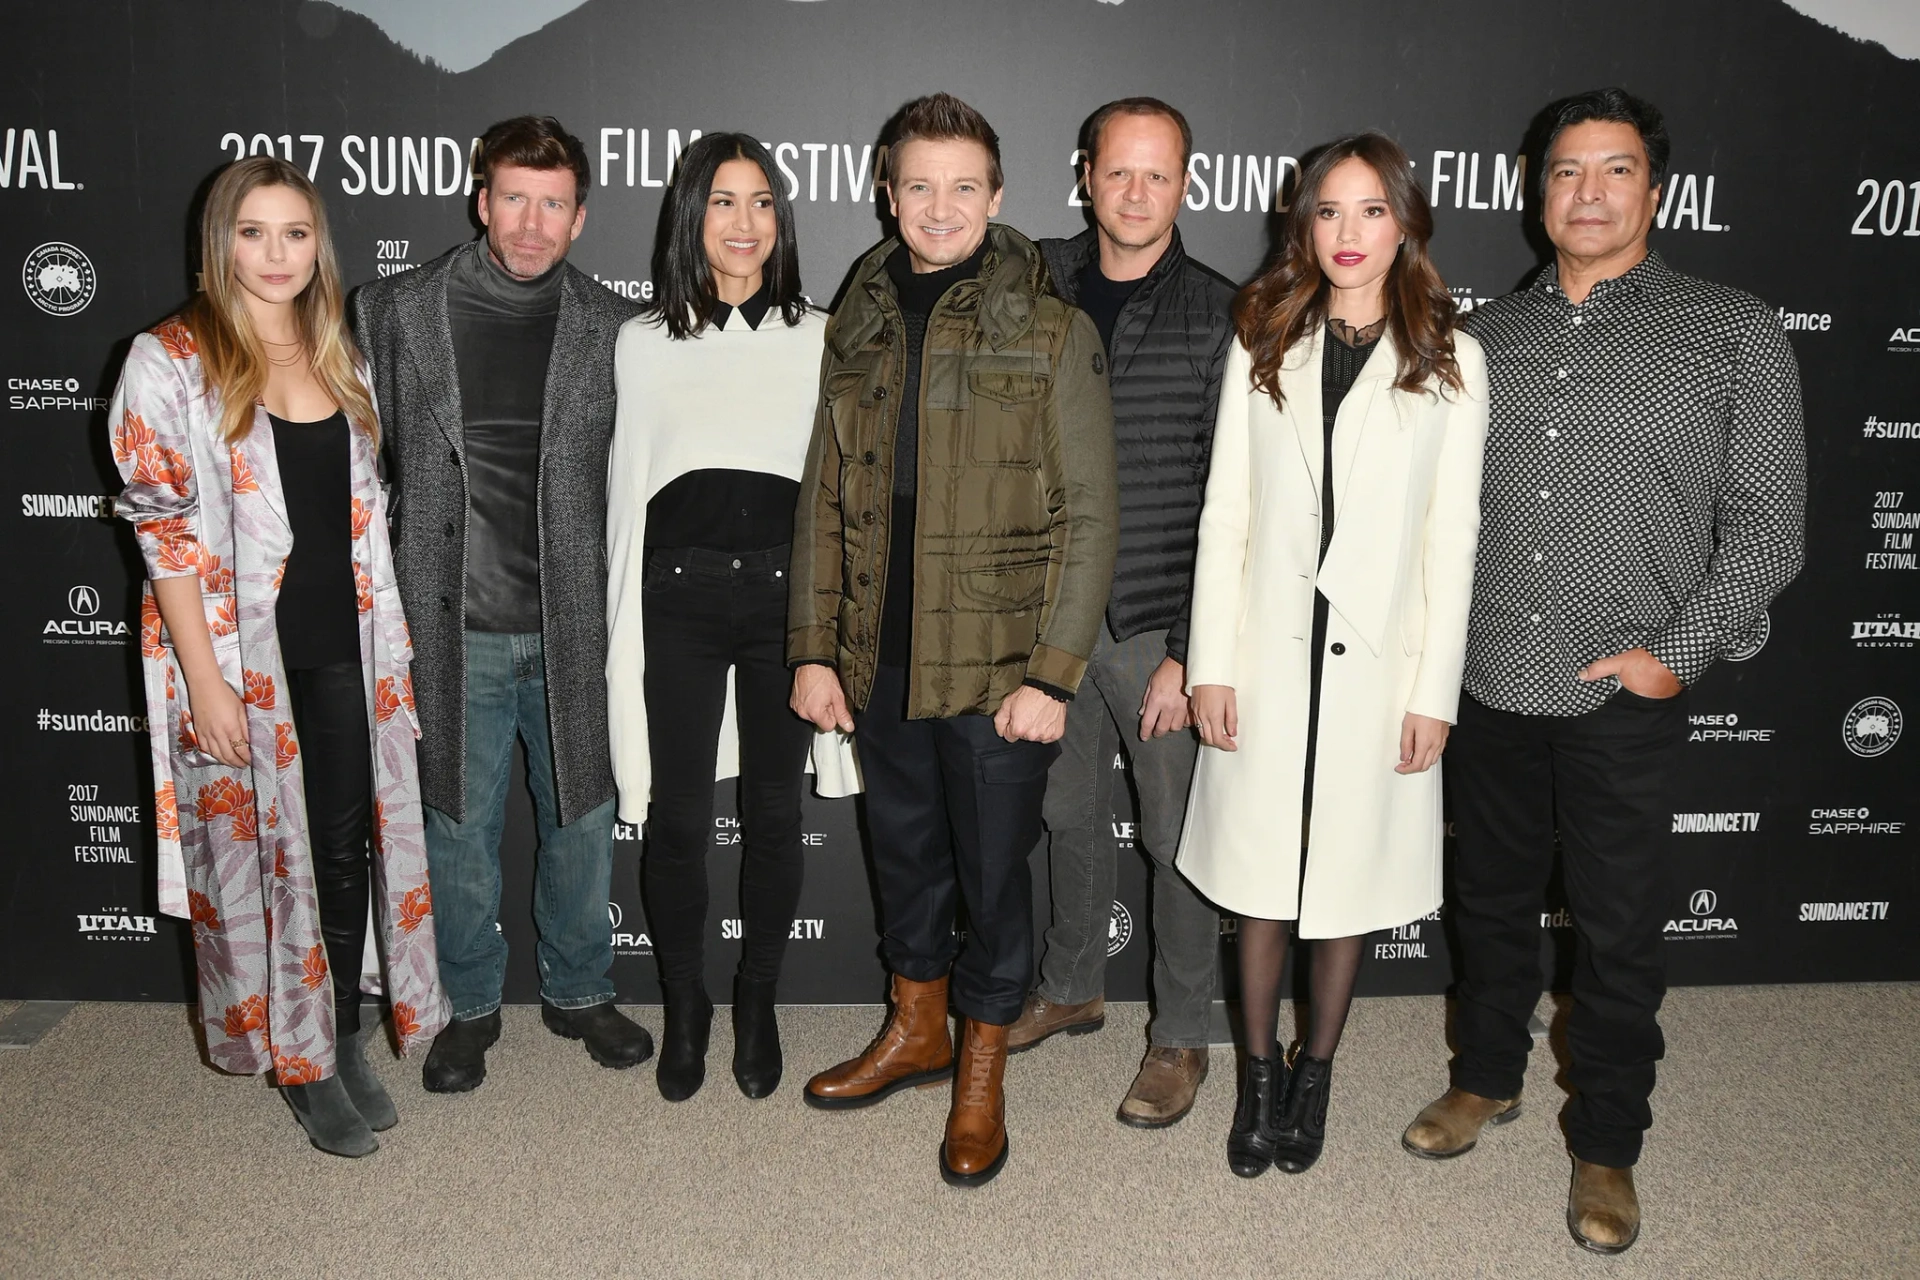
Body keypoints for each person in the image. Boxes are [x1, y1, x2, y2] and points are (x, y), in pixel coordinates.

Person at [1399, 89, 1805, 1254]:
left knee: (1619, 931)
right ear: (1539, 190)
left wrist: (1671, 659)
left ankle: (1609, 1146)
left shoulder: (1731, 329)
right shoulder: (1483, 339)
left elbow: (1772, 528)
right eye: (1567, 171)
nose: (1587, 192)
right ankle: (1486, 1076)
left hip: (1623, 692)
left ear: (1655, 190)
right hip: (1491, 683)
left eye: (1613, 171)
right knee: (1488, 905)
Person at [789, 93, 1118, 1188]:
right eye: (918, 186)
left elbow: (1090, 515)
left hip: (998, 667)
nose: (939, 207)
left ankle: (981, 1057)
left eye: (962, 186)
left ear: (999, 196)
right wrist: (813, 646)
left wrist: (1053, 674)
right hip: (876, 650)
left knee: (992, 874)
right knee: (905, 858)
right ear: (887, 193)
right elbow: (826, 490)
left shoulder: (1052, 324)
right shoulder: (862, 315)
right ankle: (915, 1024)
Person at [111, 156, 448, 1157]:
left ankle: (337, 1033)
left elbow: (363, 519)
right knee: (265, 860)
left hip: (343, 645)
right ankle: (295, 1063)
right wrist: (204, 681)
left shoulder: (337, 349)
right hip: (235, 660)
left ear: (319, 245)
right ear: (221, 241)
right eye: (253, 233)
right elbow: (162, 533)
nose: (275, 254)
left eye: (295, 233)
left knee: (343, 854)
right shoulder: (168, 358)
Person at [1178, 133, 1488, 1178]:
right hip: (1268, 653)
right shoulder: (1264, 333)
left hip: (1373, 667)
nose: (1348, 234)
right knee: (1264, 879)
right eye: (1328, 211)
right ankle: (1256, 1075)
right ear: (1302, 224)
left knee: (1342, 879)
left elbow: (1453, 538)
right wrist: (1212, 662)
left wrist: (1430, 690)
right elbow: (1227, 514)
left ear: (1405, 222)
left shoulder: (1451, 354)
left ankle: (1317, 1071)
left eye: (1370, 210)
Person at [353, 116, 651, 1093]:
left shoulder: (614, 327)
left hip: (575, 624)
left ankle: (578, 990)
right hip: (451, 627)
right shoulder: (394, 309)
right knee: (456, 828)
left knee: (581, 817)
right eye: (513, 198)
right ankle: (468, 1004)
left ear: (579, 215)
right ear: (482, 199)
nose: (530, 222)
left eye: (552, 203)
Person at [606, 132, 859, 1103]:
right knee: (677, 819)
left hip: (783, 605)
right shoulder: (642, 342)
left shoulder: (824, 335)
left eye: (761, 203)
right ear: (691, 217)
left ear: (781, 221)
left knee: (773, 813)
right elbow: (628, 497)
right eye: (722, 202)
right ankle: (686, 1004)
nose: (744, 223)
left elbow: (839, 500)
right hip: (676, 602)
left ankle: (756, 998)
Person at [1017, 97, 1235, 1129]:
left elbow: (1241, 497)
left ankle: (1183, 1032)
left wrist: (1194, 652)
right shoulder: (1033, 283)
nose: (1138, 193)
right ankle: (1072, 983)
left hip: (1157, 622)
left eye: (1159, 175)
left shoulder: (1222, 312)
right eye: (1120, 173)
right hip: (1050, 616)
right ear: (1086, 175)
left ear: (1185, 185)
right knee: (1061, 812)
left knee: (1174, 833)